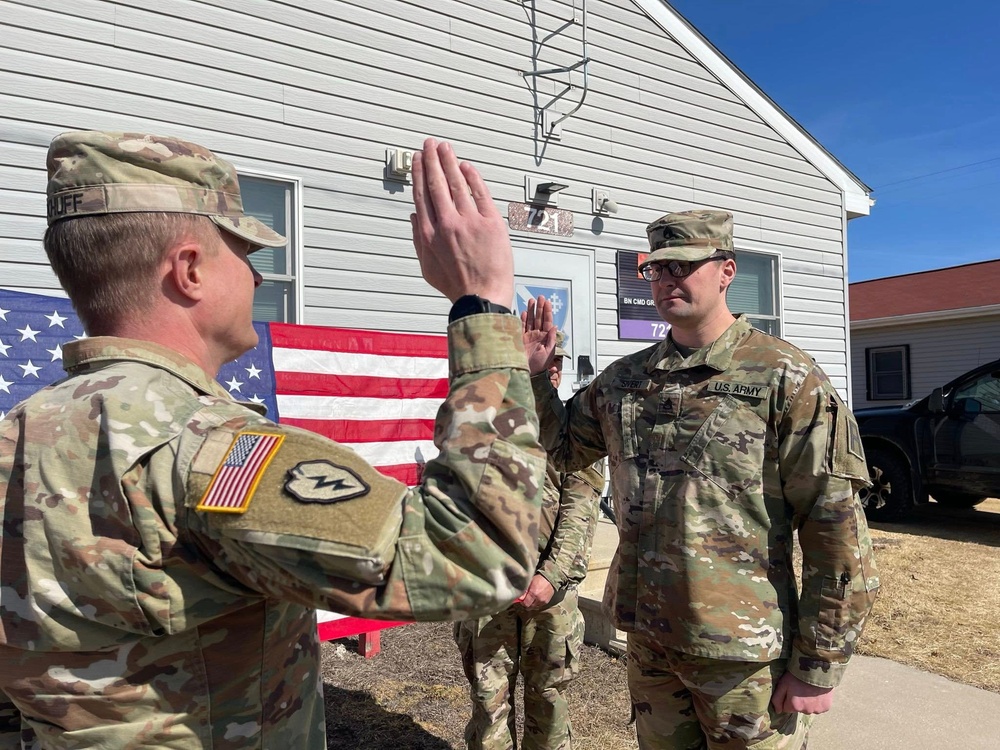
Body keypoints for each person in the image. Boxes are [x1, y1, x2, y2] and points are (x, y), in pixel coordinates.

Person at [0, 131, 548, 748]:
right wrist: (484, 304)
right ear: (188, 271)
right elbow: (473, 557)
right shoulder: (207, 448)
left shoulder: (17, 435)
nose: (258, 279)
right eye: (245, 254)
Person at [522, 210, 879, 749]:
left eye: (684, 266)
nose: (668, 280)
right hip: (650, 640)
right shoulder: (624, 381)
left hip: (743, 653)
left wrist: (818, 662)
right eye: (656, 269)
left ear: (726, 270)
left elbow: (836, 528)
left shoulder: (784, 377)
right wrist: (534, 380)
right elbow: (563, 452)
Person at [454, 332, 605, 750]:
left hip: (550, 596)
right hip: (489, 590)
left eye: (557, 363)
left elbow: (581, 510)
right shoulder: (479, 428)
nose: (552, 369)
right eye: (541, 363)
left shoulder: (577, 434)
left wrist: (550, 577)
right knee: (489, 704)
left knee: (549, 701)